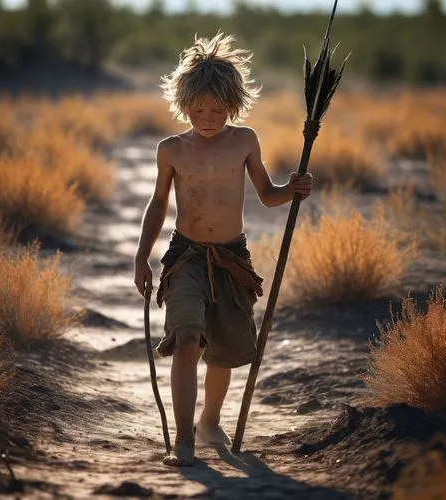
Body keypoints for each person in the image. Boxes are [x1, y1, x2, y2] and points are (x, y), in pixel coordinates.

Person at [134, 32, 313, 467]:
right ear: (184, 104)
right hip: (186, 256)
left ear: (233, 105)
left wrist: (292, 190)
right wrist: (142, 257)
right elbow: (158, 204)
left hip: (232, 258)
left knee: (225, 352)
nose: (207, 118)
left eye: (217, 110)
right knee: (188, 339)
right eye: (198, 110)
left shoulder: (245, 141)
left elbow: (267, 194)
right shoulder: (171, 149)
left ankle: (210, 422)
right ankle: (184, 442)